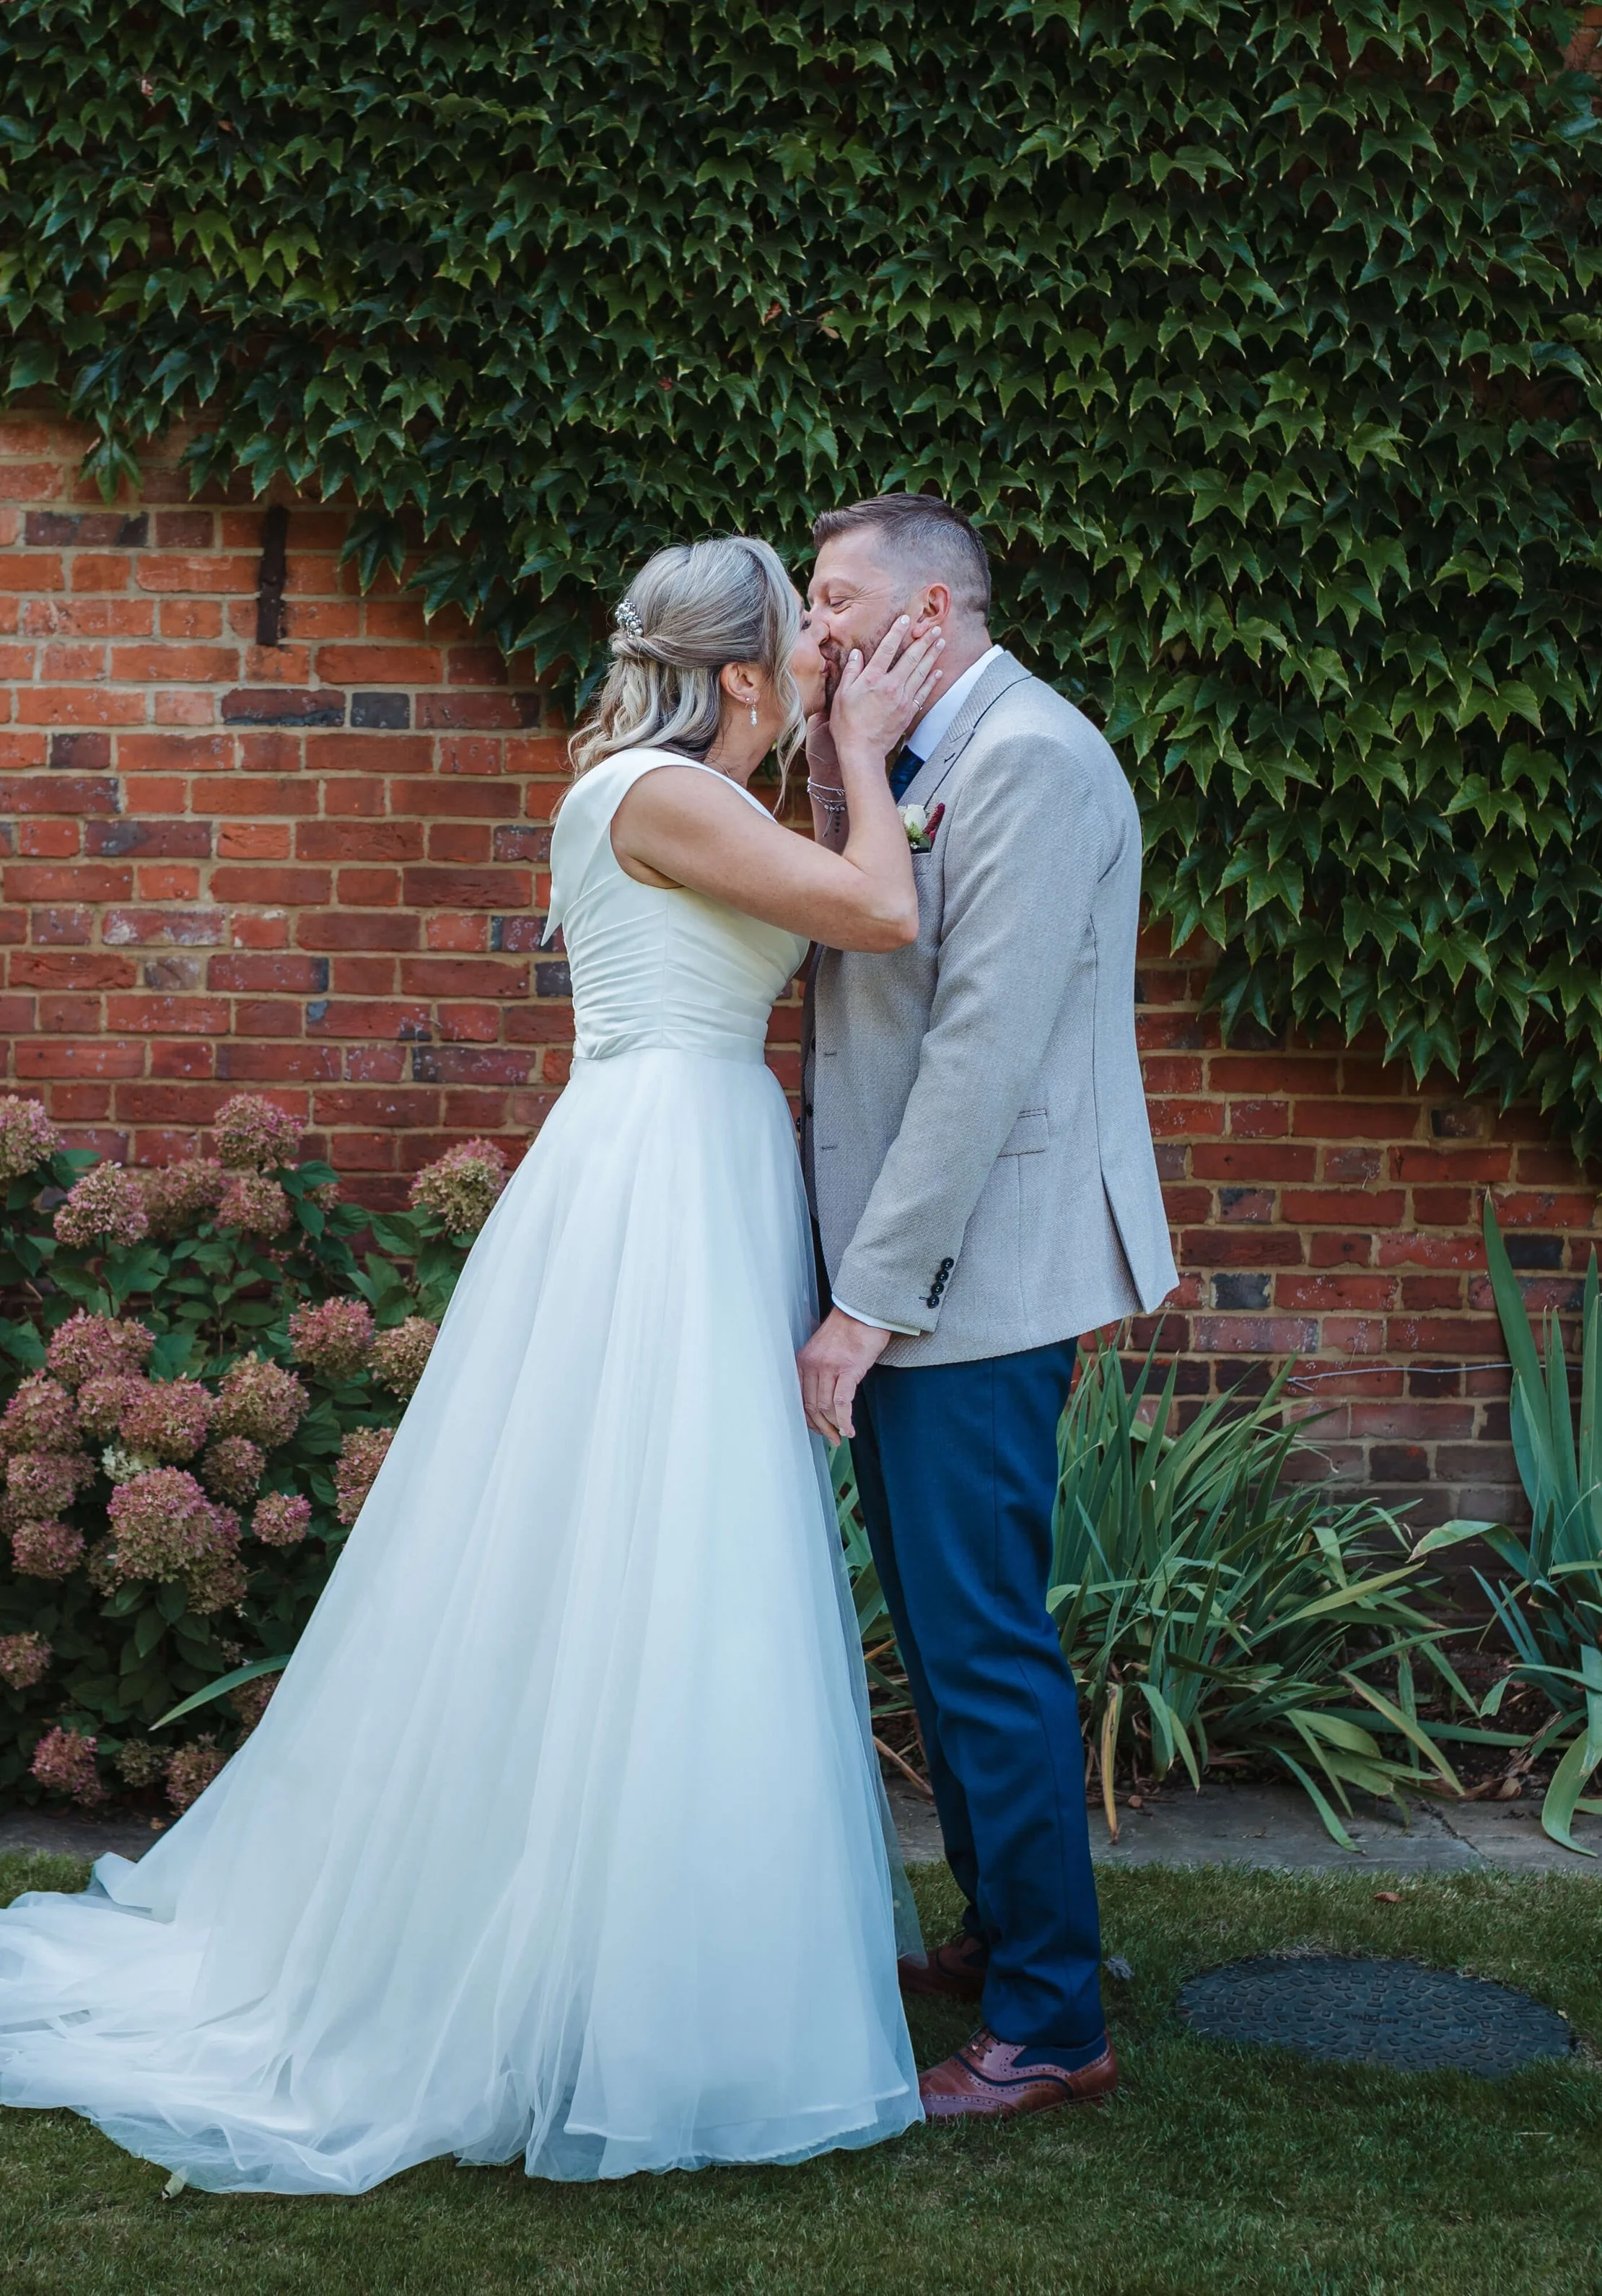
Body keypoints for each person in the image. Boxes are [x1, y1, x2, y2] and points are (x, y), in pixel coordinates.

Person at [0, 535, 942, 2191]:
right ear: (743, 673)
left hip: (682, 1156)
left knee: (667, 1562)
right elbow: (878, 908)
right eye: (799, 640)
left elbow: (814, 895)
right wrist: (869, 761)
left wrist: (829, 766)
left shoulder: (696, 793)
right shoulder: (660, 794)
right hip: (659, 1173)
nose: (829, 650)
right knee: (651, 1546)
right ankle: (586, 1976)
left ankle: (651, 1950)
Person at [797, 494, 1178, 2124]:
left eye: (834, 602)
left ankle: (1047, 2021)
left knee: (981, 1643)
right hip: (924, 1271)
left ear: (930, 618)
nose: (810, 631)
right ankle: (1001, 1932)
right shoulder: (919, 754)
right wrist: (835, 761)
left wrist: (865, 1304)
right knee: (949, 1641)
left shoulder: (1026, 756)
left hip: (973, 1276)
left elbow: (976, 1053)